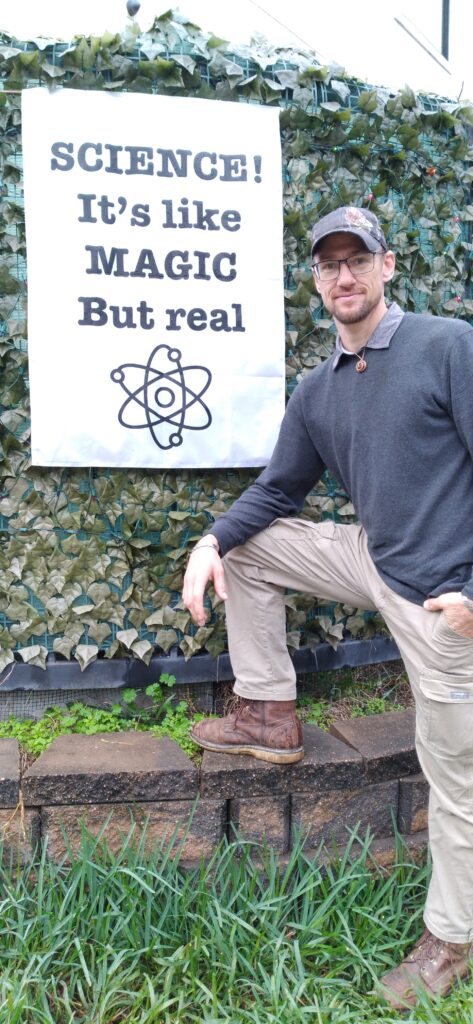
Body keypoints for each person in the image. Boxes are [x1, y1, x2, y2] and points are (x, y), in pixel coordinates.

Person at [182, 205, 473, 1008]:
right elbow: (278, 489)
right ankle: (268, 714)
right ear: (315, 281)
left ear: (387, 267)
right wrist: (211, 542)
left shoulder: (446, 347)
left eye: (358, 259)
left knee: (456, 775)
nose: (343, 275)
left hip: (444, 596)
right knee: (252, 542)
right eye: (327, 264)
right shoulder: (319, 389)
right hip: (372, 554)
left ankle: (451, 938)